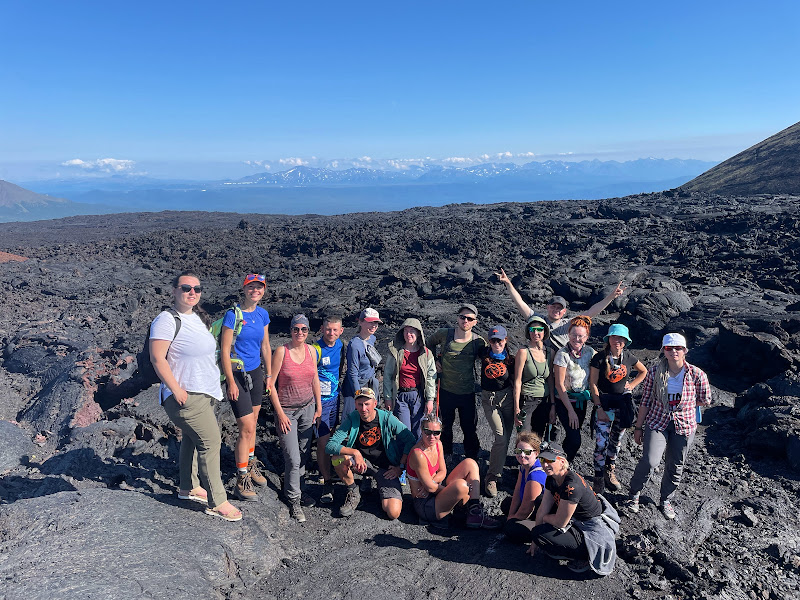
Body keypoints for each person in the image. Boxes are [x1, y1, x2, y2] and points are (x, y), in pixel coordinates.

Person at [150, 271, 241, 522]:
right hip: (185, 395)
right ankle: (218, 501)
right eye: (186, 288)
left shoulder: (197, 319)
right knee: (211, 443)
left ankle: (187, 487)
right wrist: (176, 389)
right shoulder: (166, 320)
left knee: (191, 440)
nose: (192, 292)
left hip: (204, 393)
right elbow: (157, 357)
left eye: (197, 289)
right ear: (174, 291)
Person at [626, 332, 711, 520]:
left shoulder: (697, 374)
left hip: (685, 426)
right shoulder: (655, 373)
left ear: (685, 351)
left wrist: (684, 407)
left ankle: (666, 500)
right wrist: (638, 427)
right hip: (657, 421)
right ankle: (634, 494)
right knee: (650, 461)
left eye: (678, 348)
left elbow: (705, 399)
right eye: (669, 348)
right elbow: (646, 401)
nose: (674, 351)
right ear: (663, 350)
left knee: (676, 465)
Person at [528, 443, 620, 576]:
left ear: (562, 462)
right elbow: (543, 506)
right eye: (542, 460)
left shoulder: (571, 486)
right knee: (539, 502)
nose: (545, 464)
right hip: (576, 520)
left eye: (550, 460)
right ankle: (563, 545)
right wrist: (534, 543)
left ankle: (583, 556)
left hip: (591, 529)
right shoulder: (552, 478)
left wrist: (544, 519)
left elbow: (560, 523)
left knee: (539, 533)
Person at [219, 273, 272, 502]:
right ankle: (241, 479)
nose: (255, 291)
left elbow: (266, 345)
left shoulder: (262, 314)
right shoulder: (232, 315)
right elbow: (224, 350)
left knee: (254, 422)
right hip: (237, 375)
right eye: (251, 287)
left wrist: (269, 375)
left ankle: (250, 464)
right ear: (244, 289)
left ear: (263, 290)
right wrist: (230, 381)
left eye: (259, 287)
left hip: (256, 373)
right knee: (247, 427)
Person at [325, 387, 415, 520]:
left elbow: (410, 440)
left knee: (393, 513)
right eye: (360, 404)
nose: (363, 408)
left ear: (375, 403)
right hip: (362, 464)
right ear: (355, 404)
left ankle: (378, 484)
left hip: (385, 468)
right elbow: (330, 445)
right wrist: (355, 452)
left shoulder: (387, 418)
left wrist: (400, 467)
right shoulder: (352, 418)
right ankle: (354, 491)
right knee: (338, 457)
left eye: (367, 404)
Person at [269, 314, 322, 523]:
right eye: (296, 329)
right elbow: (270, 384)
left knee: (303, 453)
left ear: (308, 332)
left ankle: (297, 489)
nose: (300, 333)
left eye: (304, 329)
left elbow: (315, 379)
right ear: (290, 330)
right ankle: (294, 500)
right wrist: (280, 413)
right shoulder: (282, 351)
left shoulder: (311, 351)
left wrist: (318, 406)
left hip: (308, 409)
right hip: (287, 412)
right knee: (293, 457)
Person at [407, 413, 501, 529]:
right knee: (462, 486)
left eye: (436, 433)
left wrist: (432, 483)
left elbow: (442, 472)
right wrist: (457, 491)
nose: (432, 436)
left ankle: (474, 510)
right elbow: (430, 488)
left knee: (470, 463)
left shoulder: (438, 444)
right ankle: (468, 508)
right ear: (421, 430)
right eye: (428, 432)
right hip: (425, 504)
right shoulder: (418, 454)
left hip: (435, 491)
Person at [495, 268, 627, 351]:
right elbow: (520, 302)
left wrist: (611, 296)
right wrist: (508, 283)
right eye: (554, 307)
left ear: (564, 312)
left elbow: (591, 312)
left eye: (560, 308)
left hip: (563, 363)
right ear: (548, 307)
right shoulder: (538, 320)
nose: (556, 310)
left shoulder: (569, 324)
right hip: (543, 362)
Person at [588, 323, 647, 494]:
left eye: (621, 338)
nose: (617, 341)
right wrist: (598, 407)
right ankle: (598, 477)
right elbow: (592, 384)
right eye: (614, 337)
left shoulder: (628, 357)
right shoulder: (599, 358)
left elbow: (643, 372)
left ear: (625, 341)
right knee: (601, 442)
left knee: (616, 441)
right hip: (604, 405)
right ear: (609, 339)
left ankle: (609, 471)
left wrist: (632, 385)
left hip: (623, 405)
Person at [426, 303, 486, 459]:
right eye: (462, 317)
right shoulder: (444, 334)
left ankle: (472, 457)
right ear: (457, 318)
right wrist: (433, 360)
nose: (465, 320)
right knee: (445, 426)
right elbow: (429, 343)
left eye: (469, 318)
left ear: (475, 322)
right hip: (446, 390)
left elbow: (489, 357)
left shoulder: (478, 341)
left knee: (469, 428)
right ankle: (446, 456)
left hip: (467, 392)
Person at [311, 315, 346, 504]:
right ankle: (327, 482)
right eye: (328, 329)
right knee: (323, 442)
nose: (331, 333)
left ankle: (328, 471)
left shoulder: (342, 346)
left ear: (340, 331)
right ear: (322, 329)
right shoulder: (315, 349)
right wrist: (316, 405)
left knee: (332, 438)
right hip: (320, 403)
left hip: (335, 399)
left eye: (335, 330)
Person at [383, 318, 437, 440]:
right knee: (404, 432)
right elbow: (387, 375)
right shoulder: (395, 352)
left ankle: (416, 458)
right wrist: (388, 398)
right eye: (406, 331)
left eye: (412, 331)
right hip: (400, 396)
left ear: (418, 333)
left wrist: (430, 400)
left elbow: (430, 378)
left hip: (418, 396)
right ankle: (404, 458)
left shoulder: (426, 353)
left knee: (418, 432)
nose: (408, 334)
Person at [552, 315, 596, 462]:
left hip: (581, 402)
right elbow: (559, 384)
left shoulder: (590, 352)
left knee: (572, 437)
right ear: (568, 335)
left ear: (587, 336)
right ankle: (563, 463)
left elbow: (602, 366)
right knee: (575, 438)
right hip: (564, 401)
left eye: (581, 336)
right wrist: (570, 411)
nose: (577, 339)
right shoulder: (562, 354)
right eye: (573, 335)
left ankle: (561, 463)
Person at [479, 324, 516, 497]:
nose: (496, 343)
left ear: (505, 340)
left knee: (506, 438)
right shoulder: (483, 353)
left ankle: (498, 471)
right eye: (493, 340)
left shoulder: (512, 359)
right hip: (489, 400)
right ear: (489, 341)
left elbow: (517, 381)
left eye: (499, 340)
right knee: (500, 437)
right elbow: (461, 355)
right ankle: (491, 477)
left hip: (507, 398)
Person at [513, 315, 555, 439]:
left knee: (538, 438)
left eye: (539, 329)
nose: (535, 333)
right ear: (528, 332)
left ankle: (534, 459)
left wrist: (552, 405)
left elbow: (551, 380)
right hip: (527, 400)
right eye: (532, 330)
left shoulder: (550, 352)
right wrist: (516, 408)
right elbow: (517, 381)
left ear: (545, 331)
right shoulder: (523, 352)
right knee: (525, 437)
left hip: (544, 401)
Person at [503, 432, 547, 543]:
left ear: (536, 453)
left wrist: (512, 519)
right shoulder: (524, 466)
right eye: (518, 451)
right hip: (533, 509)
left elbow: (527, 509)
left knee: (511, 529)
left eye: (527, 452)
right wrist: (511, 516)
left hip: (542, 516)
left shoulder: (536, 475)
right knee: (506, 504)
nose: (522, 455)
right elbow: (517, 492)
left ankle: (540, 533)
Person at [341, 308, 382, 419]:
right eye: (370, 322)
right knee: (350, 421)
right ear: (360, 322)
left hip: (369, 385)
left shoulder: (372, 338)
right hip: (355, 388)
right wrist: (358, 396)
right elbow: (352, 373)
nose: (374, 325)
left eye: (376, 322)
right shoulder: (354, 345)